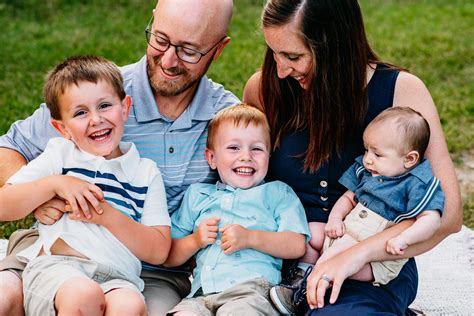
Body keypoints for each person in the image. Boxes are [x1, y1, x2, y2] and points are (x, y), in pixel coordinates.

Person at [0, 0, 237, 315]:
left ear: (218, 50)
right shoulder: (98, 91)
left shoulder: (227, 119)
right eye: (161, 40)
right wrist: (45, 193)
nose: (168, 60)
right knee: (6, 297)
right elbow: (9, 149)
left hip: (148, 273)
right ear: (152, 22)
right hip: (57, 250)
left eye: (189, 51)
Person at [243, 0, 462, 314]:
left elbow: (449, 214)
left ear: (337, 48)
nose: (280, 69)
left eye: (293, 56)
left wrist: (355, 255)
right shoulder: (264, 88)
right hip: (276, 257)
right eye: (273, 52)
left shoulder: (401, 92)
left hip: (366, 267)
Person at [0, 55, 171, 315]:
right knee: (83, 296)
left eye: (104, 106)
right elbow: (4, 205)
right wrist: (55, 184)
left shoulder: (145, 173)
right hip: (59, 267)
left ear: (125, 107)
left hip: (119, 278)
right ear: (62, 128)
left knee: (130, 306)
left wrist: (104, 214)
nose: (96, 119)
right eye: (80, 113)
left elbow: (159, 250)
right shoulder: (60, 155)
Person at [270, 106, 445, 314]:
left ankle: (299, 294)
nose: (368, 159)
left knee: (332, 260)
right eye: (366, 150)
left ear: (409, 159)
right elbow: (348, 198)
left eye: (377, 154)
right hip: (346, 233)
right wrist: (335, 219)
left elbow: (431, 219)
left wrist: (404, 239)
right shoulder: (368, 171)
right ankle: (301, 274)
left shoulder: (416, 183)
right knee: (306, 233)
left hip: (376, 259)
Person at [164, 104, 310, 315]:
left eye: (257, 148)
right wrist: (195, 240)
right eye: (234, 148)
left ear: (269, 156)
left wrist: (251, 238)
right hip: (200, 295)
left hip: (250, 292)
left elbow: (297, 245)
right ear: (212, 158)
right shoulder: (198, 195)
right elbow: (169, 255)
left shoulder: (277, 193)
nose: (246, 156)